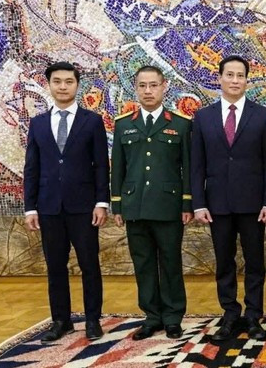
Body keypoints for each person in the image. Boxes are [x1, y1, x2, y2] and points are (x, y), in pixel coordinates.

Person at [191, 55, 266, 341]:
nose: (234, 80)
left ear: (247, 81)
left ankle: (253, 315)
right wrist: (198, 203)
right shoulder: (203, 117)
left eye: (240, 75)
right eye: (229, 75)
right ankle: (230, 314)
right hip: (217, 204)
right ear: (219, 78)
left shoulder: (263, 115)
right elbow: (197, 164)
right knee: (224, 262)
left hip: (254, 204)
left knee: (255, 262)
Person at [23, 61, 108, 343]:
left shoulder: (91, 121)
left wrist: (102, 202)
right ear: (49, 84)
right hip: (48, 207)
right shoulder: (37, 123)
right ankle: (61, 320)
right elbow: (32, 168)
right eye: (57, 81)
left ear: (77, 85)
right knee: (55, 266)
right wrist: (30, 207)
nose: (63, 86)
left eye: (69, 81)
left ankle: (93, 319)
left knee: (89, 264)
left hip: (83, 207)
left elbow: (101, 165)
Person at [111, 65, 193, 340]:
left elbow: (188, 168)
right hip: (134, 206)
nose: (148, 91)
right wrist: (117, 205)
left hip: (168, 206)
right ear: (135, 88)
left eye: (153, 85)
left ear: (164, 86)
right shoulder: (124, 124)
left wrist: (187, 203)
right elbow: (118, 168)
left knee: (170, 262)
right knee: (143, 263)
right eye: (142, 85)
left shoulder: (180, 124)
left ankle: (172, 316)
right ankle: (152, 316)